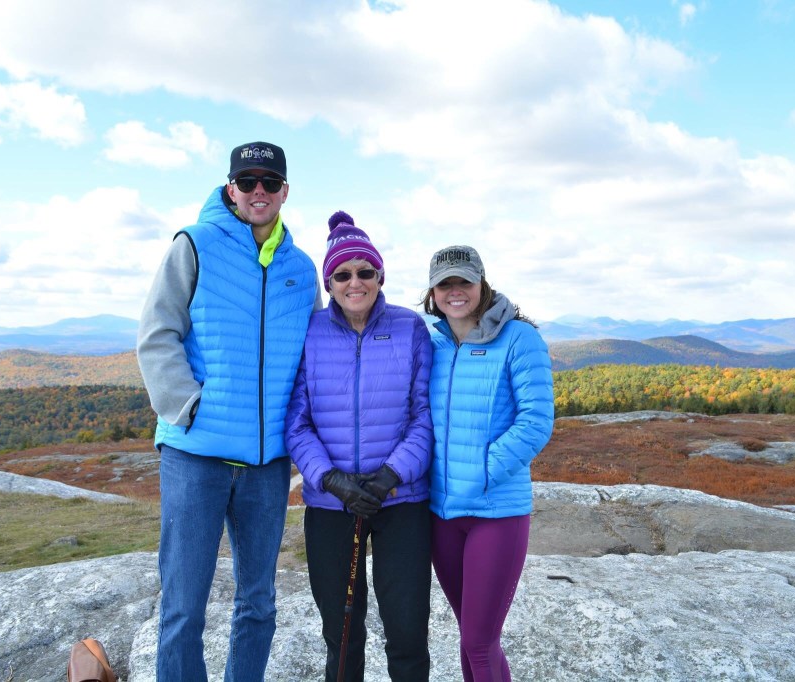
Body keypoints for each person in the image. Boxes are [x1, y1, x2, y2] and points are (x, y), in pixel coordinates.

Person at [137, 141, 320, 682]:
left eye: (270, 182)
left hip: (267, 465)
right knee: (183, 607)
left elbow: (313, 358)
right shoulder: (193, 244)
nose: (259, 191)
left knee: (258, 602)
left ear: (285, 191)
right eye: (248, 181)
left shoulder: (301, 267)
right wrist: (188, 407)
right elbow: (157, 333)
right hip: (197, 455)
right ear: (230, 188)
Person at [286, 211, 434, 682]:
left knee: (407, 631)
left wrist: (391, 474)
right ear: (329, 284)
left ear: (380, 276)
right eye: (343, 274)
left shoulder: (410, 328)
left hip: (401, 500)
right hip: (332, 505)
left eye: (365, 271)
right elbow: (297, 422)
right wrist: (331, 480)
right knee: (342, 632)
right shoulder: (309, 332)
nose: (355, 282)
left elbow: (426, 415)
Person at [420, 245, 554, 682]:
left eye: (464, 281)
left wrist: (480, 473)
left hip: (495, 512)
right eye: (445, 284)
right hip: (442, 515)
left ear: (482, 283)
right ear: (433, 292)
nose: (454, 290)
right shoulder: (433, 343)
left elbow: (535, 422)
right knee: (472, 637)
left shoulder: (519, 338)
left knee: (479, 641)